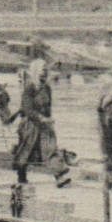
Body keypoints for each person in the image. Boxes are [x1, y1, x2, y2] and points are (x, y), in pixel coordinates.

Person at [9, 57, 70, 187]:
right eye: (42, 71)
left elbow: (48, 107)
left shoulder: (47, 88)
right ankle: (21, 176)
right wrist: (40, 117)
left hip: (45, 125)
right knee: (25, 151)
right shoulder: (29, 89)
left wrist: (48, 120)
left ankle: (59, 176)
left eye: (46, 71)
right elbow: (27, 108)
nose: (44, 74)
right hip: (30, 125)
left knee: (51, 149)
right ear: (35, 72)